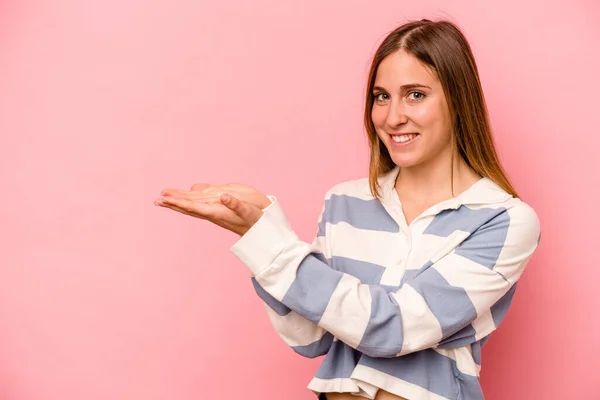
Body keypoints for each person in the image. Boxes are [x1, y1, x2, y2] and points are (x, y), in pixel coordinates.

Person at [154, 18, 541, 400]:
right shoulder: (345, 202)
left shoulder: (503, 220)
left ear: (458, 100)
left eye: (416, 95)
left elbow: (395, 328)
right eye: (381, 96)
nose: (392, 118)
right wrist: (255, 233)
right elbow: (313, 337)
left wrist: (274, 245)